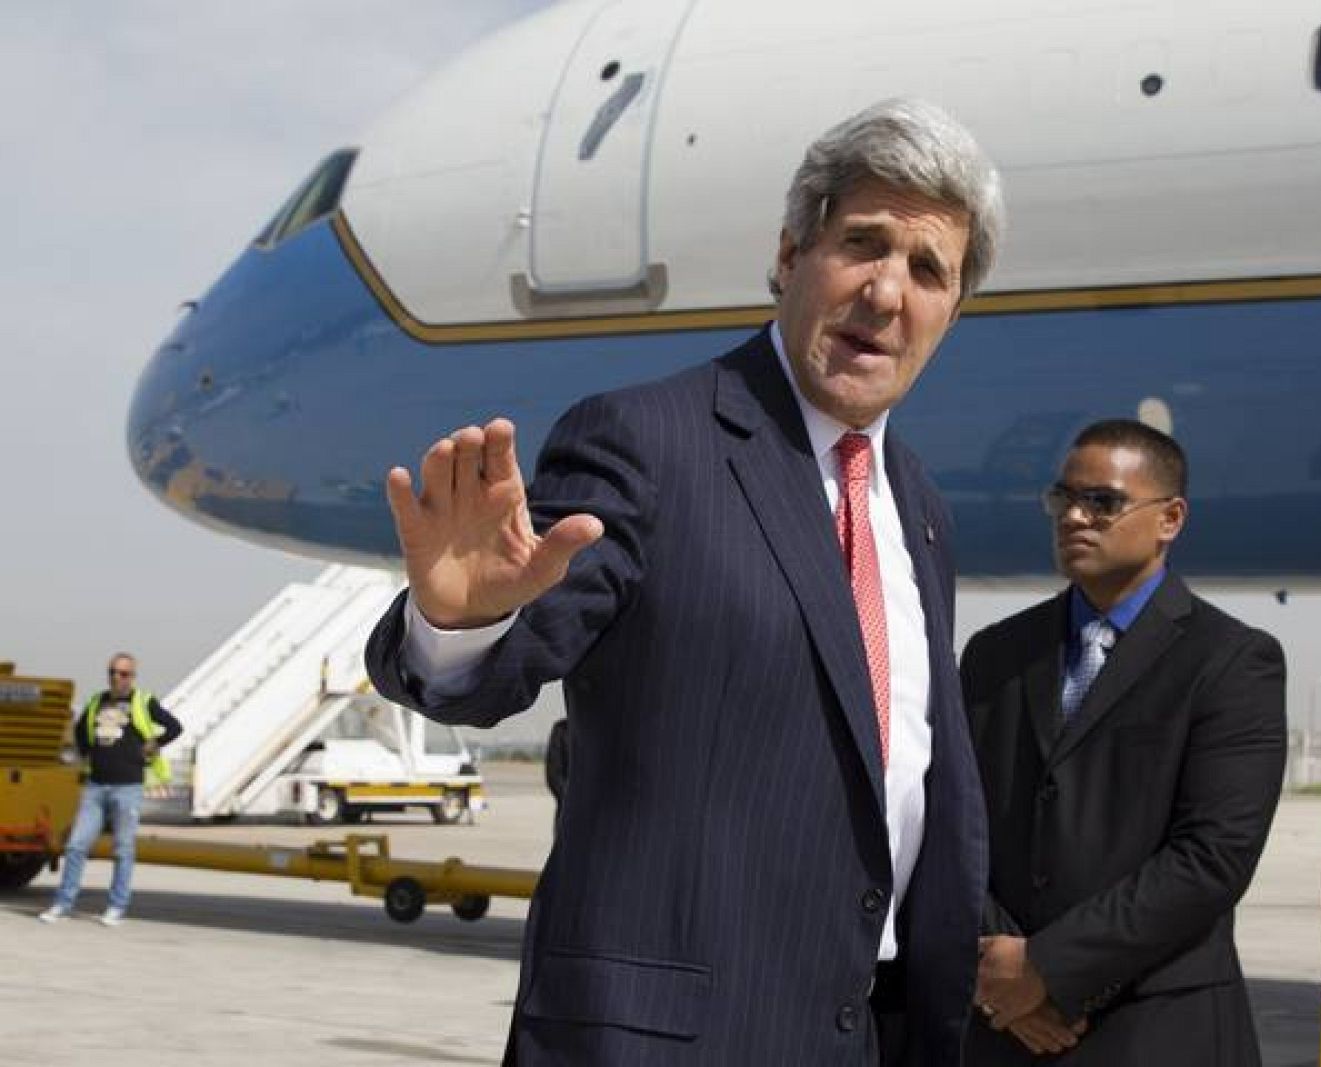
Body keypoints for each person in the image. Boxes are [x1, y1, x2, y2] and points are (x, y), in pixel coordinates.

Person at [366, 99, 1003, 1065]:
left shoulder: (917, 502)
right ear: (791, 255)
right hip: (672, 1039)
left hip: (866, 1031)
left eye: (928, 270)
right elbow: (510, 663)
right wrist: (463, 622)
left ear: (955, 311)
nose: (886, 292)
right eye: (861, 244)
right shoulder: (648, 441)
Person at [962, 419, 1287, 1065]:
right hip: (1005, 1030)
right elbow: (952, 825)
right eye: (1063, 499)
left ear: (1170, 518)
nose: (1075, 516)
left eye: (1103, 501)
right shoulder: (995, 653)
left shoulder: (1231, 660)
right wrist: (1000, 966)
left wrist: (1048, 969)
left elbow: (1213, 856)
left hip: (1158, 1028)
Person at [39, 652, 183, 926]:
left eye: (124, 673)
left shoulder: (143, 701)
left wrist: (155, 743)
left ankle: (117, 906)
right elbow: (81, 734)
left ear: (133, 677)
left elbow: (175, 727)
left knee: (123, 849)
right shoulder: (96, 702)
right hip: (95, 786)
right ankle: (62, 904)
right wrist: (81, 756)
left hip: (128, 786)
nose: (117, 677)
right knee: (75, 846)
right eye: (112, 672)